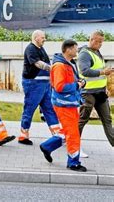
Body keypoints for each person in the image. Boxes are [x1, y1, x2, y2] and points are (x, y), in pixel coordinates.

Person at [39, 39, 87, 172]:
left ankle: (47, 146)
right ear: (68, 49)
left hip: (68, 103)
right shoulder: (60, 66)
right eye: (75, 48)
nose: (77, 51)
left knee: (67, 131)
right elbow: (59, 86)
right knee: (73, 134)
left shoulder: (68, 64)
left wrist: (79, 82)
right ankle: (73, 162)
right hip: (64, 104)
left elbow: (68, 81)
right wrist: (77, 85)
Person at [18, 30, 60, 145]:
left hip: (44, 84)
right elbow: (37, 63)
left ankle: (57, 135)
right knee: (29, 108)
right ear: (36, 38)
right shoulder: (31, 49)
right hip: (33, 84)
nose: (44, 39)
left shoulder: (41, 48)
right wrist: (53, 69)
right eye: (42, 37)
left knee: (49, 109)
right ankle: (23, 135)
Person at [77, 30, 114, 156]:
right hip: (88, 93)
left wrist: (105, 87)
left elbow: (98, 72)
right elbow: (85, 71)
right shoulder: (84, 54)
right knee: (82, 120)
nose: (100, 44)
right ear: (91, 39)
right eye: (98, 41)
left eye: (101, 42)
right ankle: (74, 146)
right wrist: (103, 72)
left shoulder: (97, 52)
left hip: (100, 93)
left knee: (107, 120)